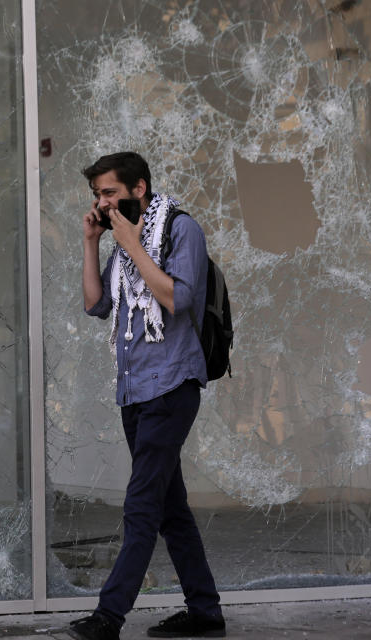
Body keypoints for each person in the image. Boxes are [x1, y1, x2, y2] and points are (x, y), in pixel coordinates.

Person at [68, 152, 226, 640]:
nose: (102, 203)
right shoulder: (123, 240)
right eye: (97, 196)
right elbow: (97, 304)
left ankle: (108, 617)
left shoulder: (180, 231)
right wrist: (92, 242)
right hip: (134, 391)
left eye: (110, 193)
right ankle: (205, 613)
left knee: (140, 506)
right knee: (170, 509)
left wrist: (133, 246)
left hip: (173, 387)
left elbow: (178, 298)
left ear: (138, 189)